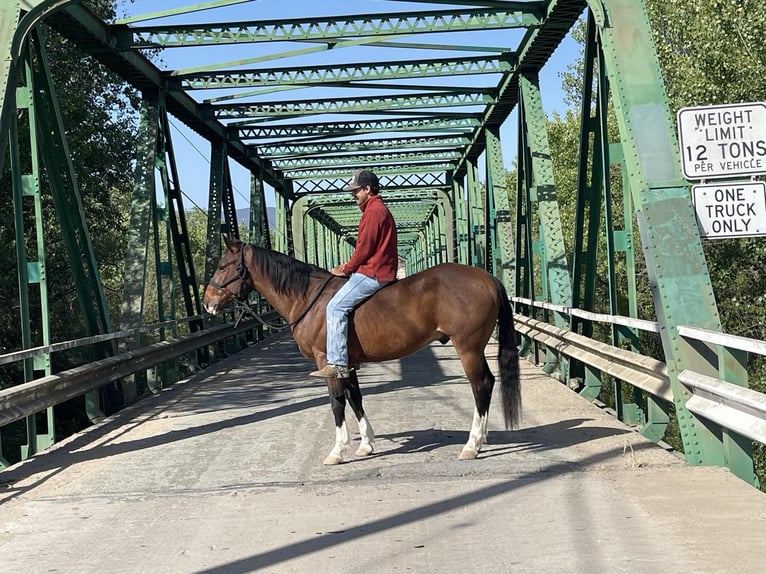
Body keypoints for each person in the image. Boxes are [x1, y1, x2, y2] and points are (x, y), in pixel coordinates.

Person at [310, 169, 398, 379]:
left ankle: (338, 363)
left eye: (356, 191)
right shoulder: (377, 209)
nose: (353, 195)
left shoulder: (374, 212)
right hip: (379, 269)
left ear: (368, 189)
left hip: (373, 272)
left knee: (335, 307)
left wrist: (346, 268)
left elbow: (364, 249)